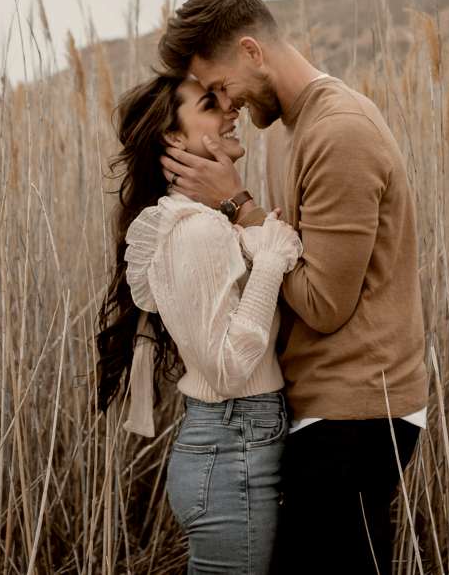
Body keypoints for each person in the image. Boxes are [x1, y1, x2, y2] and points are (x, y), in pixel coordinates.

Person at [157, 0, 429, 574]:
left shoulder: (339, 132)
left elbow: (326, 303)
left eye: (222, 86)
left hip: (355, 413)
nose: (225, 105)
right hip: (325, 410)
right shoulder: (289, 129)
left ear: (253, 51)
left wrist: (238, 207)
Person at [96, 72, 303, 574]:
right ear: (173, 136)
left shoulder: (206, 223)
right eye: (211, 105)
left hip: (234, 447)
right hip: (233, 449)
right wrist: (270, 262)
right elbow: (229, 369)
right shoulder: (194, 232)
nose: (231, 110)